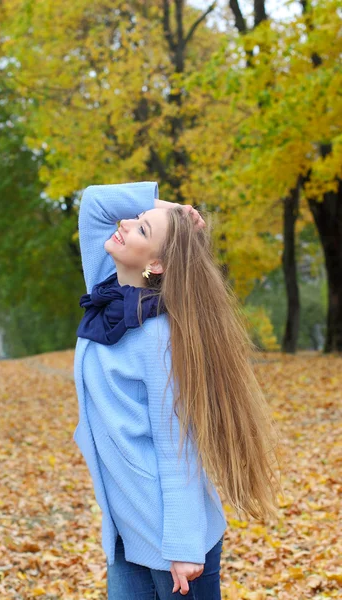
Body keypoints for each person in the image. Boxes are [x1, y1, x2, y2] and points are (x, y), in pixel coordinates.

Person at [73, 181, 282, 598]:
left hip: (174, 541)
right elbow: (95, 202)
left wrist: (184, 545)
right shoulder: (106, 283)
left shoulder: (161, 337)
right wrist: (176, 208)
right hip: (126, 530)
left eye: (142, 230)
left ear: (157, 264)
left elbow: (178, 446)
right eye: (134, 219)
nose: (126, 223)